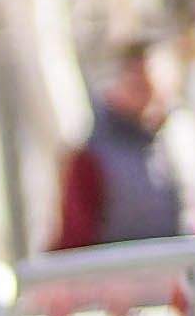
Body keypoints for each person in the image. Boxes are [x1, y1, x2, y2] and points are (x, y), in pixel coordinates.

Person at [47, 43, 184, 249]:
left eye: (152, 87)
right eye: (138, 86)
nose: (147, 98)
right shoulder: (92, 156)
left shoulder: (181, 141)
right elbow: (76, 236)